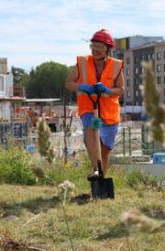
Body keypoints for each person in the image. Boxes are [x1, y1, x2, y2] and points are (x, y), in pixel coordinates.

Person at [65, 29, 124, 181]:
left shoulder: (115, 66)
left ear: (108, 49)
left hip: (110, 112)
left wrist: (107, 90)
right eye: (94, 46)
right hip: (89, 108)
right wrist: (83, 87)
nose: (96, 50)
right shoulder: (83, 63)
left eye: (100, 47)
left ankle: (101, 180)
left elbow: (121, 89)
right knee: (91, 131)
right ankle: (97, 170)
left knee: (104, 151)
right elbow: (69, 83)